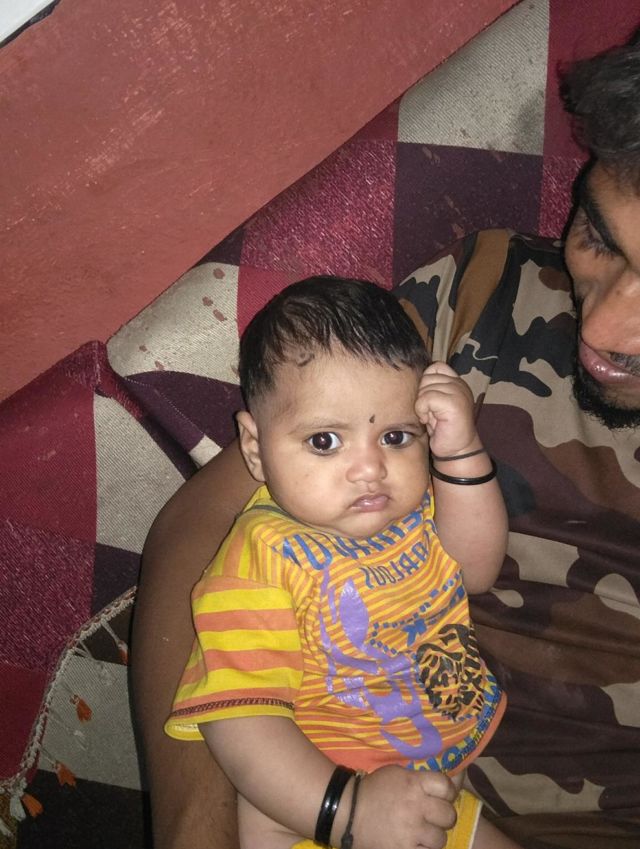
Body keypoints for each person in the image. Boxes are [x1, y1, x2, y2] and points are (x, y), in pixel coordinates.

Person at [131, 30, 640, 849]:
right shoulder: (482, 292)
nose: (604, 328)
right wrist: (231, 825)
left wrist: (461, 457)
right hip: (329, 790)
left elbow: (466, 561)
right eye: (600, 237)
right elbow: (201, 528)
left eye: (396, 436)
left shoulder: (410, 509)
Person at [163, 277, 516, 849]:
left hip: (433, 793)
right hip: (313, 811)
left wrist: (459, 453)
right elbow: (240, 721)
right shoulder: (262, 559)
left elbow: (477, 571)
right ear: (255, 448)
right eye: (325, 441)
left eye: (396, 436)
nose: (370, 469)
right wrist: (348, 809)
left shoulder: (423, 503)